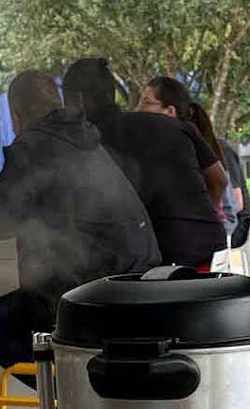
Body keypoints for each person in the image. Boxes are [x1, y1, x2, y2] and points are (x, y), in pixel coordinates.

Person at [0, 70, 159, 371]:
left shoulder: (33, 145)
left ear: (16, 117)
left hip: (89, 291)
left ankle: (66, 387)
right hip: (136, 279)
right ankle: (72, 382)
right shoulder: (86, 139)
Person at [62, 57, 225, 271]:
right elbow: (219, 179)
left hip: (160, 256)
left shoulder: (89, 142)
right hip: (207, 244)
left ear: (79, 100)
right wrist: (195, 217)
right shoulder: (171, 125)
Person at [139, 77, 240, 245]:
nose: (138, 109)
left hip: (196, 239)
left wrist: (201, 216)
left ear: (170, 111)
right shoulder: (168, 140)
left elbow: (219, 180)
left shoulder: (183, 136)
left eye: (146, 103)